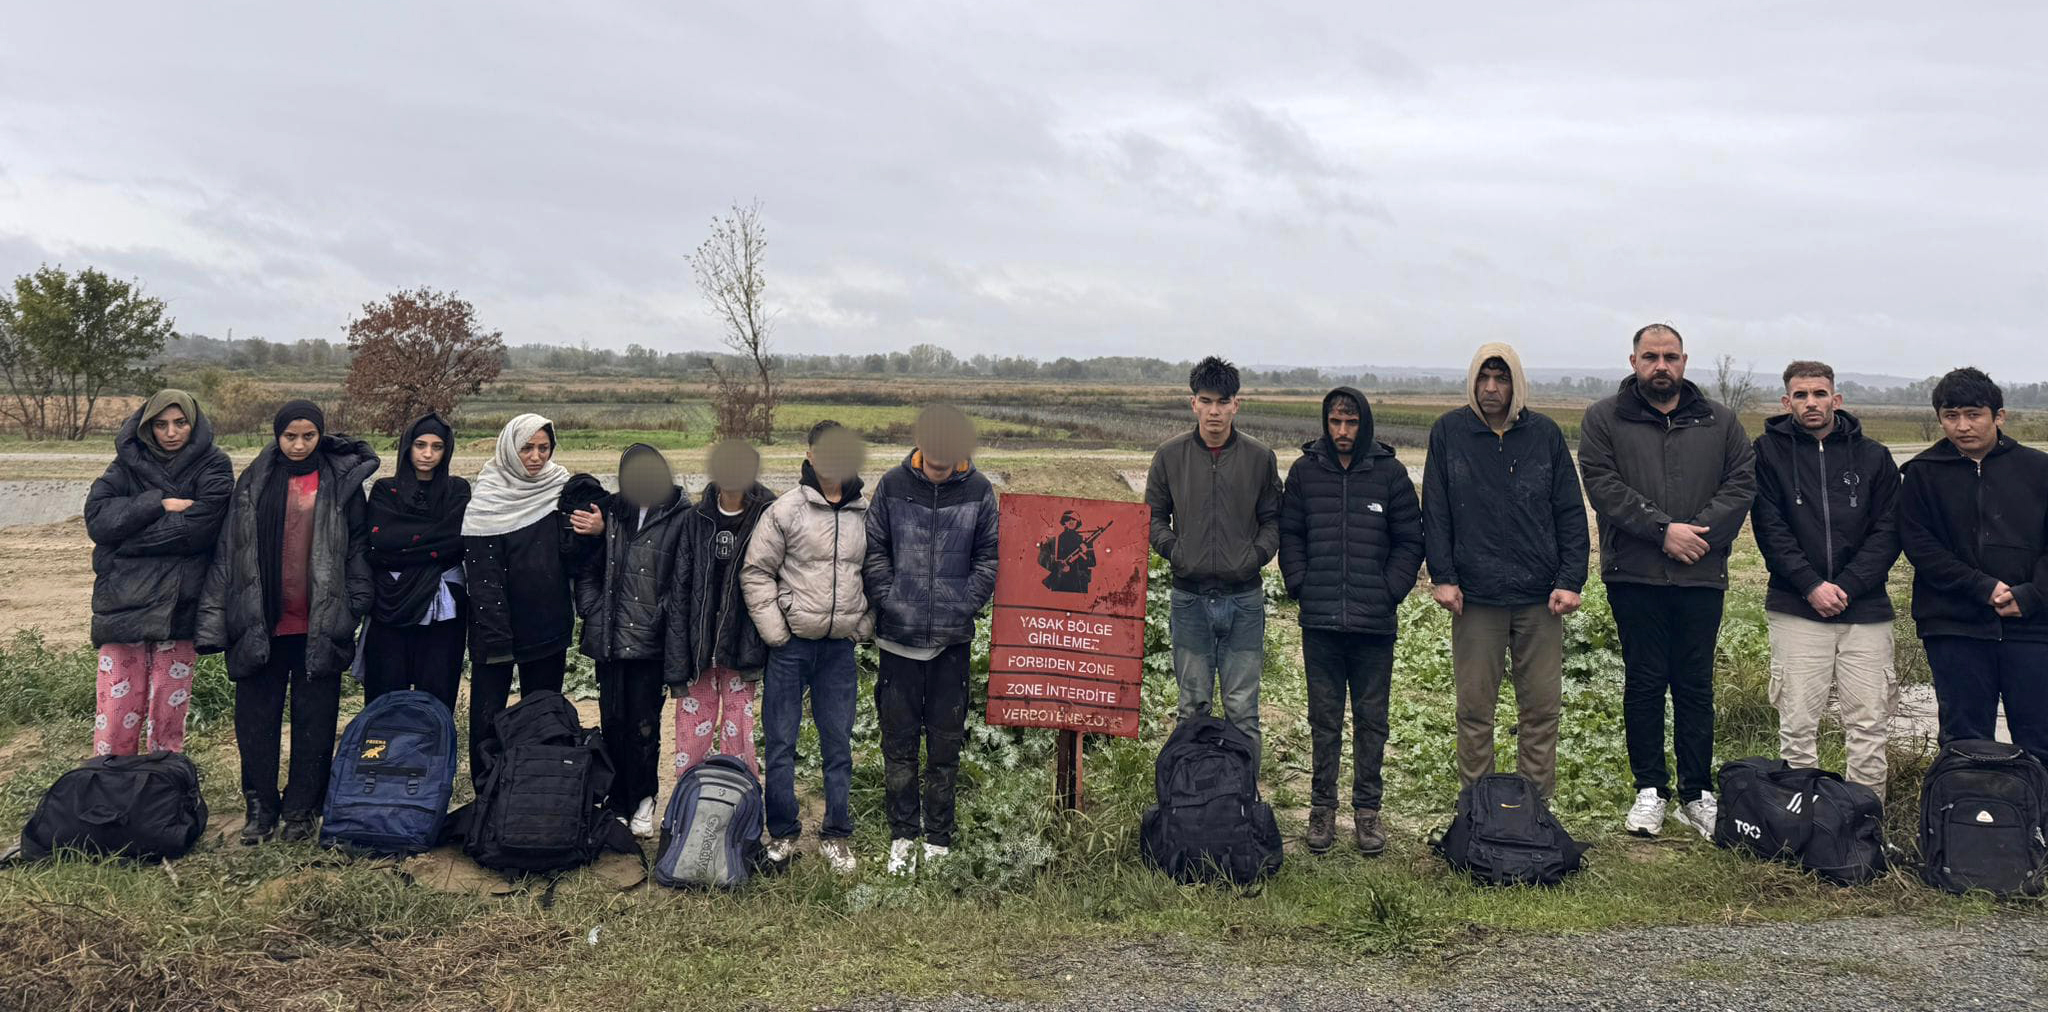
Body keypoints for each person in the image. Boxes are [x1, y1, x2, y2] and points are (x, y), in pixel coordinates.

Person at [1580, 324, 1755, 839]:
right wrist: (1662, 531)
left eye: (1671, 357)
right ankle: (1650, 789)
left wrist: (1694, 536)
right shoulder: (1604, 418)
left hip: (1701, 572)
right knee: (1645, 680)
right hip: (1634, 573)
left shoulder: (1719, 421)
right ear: (1633, 361)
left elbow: (1741, 484)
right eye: (1651, 356)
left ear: (1684, 361)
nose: (1662, 365)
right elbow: (1603, 486)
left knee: (1695, 683)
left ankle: (1697, 793)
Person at [198, 401, 378, 845]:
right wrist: (214, 621)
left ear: (321, 435)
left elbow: (358, 551)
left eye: (308, 436)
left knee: (315, 723)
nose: (298, 445)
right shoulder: (253, 481)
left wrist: (352, 606)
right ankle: (260, 808)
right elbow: (228, 553)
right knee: (255, 723)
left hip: (319, 625)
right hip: (260, 624)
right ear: (277, 435)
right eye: (290, 436)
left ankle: (301, 809)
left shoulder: (341, 486)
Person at [1423, 344, 1588, 801]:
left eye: (1501, 378)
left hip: (1539, 598)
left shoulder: (1544, 435)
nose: (1491, 388)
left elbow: (1570, 511)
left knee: (1541, 709)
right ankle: (1477, 808)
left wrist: (1570, 579)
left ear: (1517, 383)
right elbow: (1435, 510)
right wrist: (1444, 576)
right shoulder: (1449, 433)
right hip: (1476, 598)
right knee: (1475, 710)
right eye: (1484, 378)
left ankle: (1534, 808)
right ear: (1472, 382)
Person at [1279, 386, 1422, 855]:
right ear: (1326, 423)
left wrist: (1388, 591)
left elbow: (1410, 541)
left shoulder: (1390, 474)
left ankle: (1367, 812)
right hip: (1320, 621)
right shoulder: (1305, 473)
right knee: (1323, 721)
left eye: (1351, 423)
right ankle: (1322, 810)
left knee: (1371, 720)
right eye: (1335, 422)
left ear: (1365, 424)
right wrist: (1300, 583)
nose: (1342, 431)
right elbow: (1290, 533)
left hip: (1373, 625)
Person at [1751, 361, 1902, 796]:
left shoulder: (1873, 456)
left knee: (1869, 724)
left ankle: (1865, 817)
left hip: (1866, 610)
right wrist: (1811, 585)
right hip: (1796, 607)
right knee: (1797, 724)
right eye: (1801, 395)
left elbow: (1889, 530)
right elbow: (1770, 528)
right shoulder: (1766, 454)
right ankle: (1803, 819)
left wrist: (1849, 586)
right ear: (1787, 402)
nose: (1811, 402)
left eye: (1819, 394)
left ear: (1836, 399)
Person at [863, 405, 1000, 874]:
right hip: (896, 641)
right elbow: (875, 550)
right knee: (898, 744)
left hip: (951, 643)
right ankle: (903, 835)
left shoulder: (980, 491)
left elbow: (988, 558)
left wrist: (960, 606)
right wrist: (890, 601)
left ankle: (938, 836)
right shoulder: (892, 486)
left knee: (945, 745)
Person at [743, 420, 873, 874]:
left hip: (838, 650)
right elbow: (756, 571)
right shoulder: (785, 510)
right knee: (781, 743)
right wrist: (777, 632)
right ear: (811, 455)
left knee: (838, 744)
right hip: (791, 647)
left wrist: (863, 624)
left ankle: (837, 835)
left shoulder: (865, 513)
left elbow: (878, 572)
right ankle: (782, 833)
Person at [1900, 367, 2048, 764]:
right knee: (1965, 744)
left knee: (2039, 740)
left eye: (1973, 414)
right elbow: (1920, 546)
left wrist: (2031, 596)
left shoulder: (2039, 470)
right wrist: (1981, 587)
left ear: (1999, 416)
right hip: (1954, 625)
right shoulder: (1921, 473)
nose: (1962, 426)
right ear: (1939, 419)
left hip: (2033, 627)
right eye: (1951, 416)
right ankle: (1965, 806)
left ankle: (2036, 807)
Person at [1146, 356, 1282, 767]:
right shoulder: (1170, 456)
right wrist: (1177, 551)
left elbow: (1273, 520)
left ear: (1236, 404)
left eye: (1223, 402)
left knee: (1243, 710)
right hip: (1189, 600)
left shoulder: (1259, 457)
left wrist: (1253, 557)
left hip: (1244, 600)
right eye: (1206, 401)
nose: (1214, 411)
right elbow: (1153, 518)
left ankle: (1244, 796)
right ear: (1193, 404)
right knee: (1192, 708)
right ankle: (1190, 795)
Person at [84, 389, 233, 756]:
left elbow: (201, 529)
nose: (171, 432)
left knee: (168, 713)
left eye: (180, 423)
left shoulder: (214, 465)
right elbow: (98, 521)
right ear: (147, 426)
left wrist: (125, 544)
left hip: (179, 605)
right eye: (161, 424)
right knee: (116, 712)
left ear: (193, 424)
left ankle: (163, 781)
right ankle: (110, 780)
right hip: (123, 605)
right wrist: (157, 503)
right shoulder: (125, 464)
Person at [461, 414, 605, 789]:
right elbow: (483, 576)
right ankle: (487, 793)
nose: (536, 457)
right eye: (527, 448)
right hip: (494, 631)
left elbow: (575, 558)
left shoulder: (558, 490)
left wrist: (596, 532)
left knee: (543, 717)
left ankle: (535, 794)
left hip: (547, 627)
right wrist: (497, 639)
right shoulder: (488, 496)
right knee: (487, 720)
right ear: (509, 448)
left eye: (544, 448)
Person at [574, 444, 689, 838]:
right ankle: (617, 801)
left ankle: (644, 799)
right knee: (612, 721)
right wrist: (592, 609)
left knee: (644, 726)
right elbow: (587, 570)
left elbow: (681, 580)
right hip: (609, 638)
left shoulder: (680, 516)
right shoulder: (611, 513)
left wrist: (661, 618)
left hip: (650, 643)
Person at [666, 439, 777, 779]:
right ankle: (690, 796)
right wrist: (678, 654)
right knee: (691, 729)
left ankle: (738, 796)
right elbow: (680, 588)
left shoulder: (769, 515)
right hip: (699, 647)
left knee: (739, 726)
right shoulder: (695, 518)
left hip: (742, 644)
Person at [360, 413, 470, 714]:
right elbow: (381, 540)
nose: (428, 454)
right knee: (386, 686)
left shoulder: (457, 490)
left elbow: (456, 541)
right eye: (420, 445)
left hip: (444, 606)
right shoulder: (385, 490)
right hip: (390, 601)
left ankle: (433, 743)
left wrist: (404, 544)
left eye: (437, 447)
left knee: (437, 685)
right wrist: (434, 544)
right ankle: (384, 744)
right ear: (407, 446)